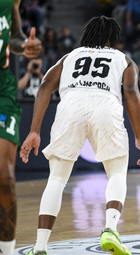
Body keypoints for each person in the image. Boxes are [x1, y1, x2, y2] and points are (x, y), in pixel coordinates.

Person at [19, 16, 140, 255]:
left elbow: (46, 84)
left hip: (71, 106)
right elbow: (131, 92)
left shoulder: (69, 57)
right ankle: (110, 230)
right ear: (113, 39)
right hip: (106, 106)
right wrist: (139, 136)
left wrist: (34, 130)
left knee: (57, 180)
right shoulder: (124, 59)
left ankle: (40, 246)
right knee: (117, 173)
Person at [0, 0, 42, 254]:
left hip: (2, 94)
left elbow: (14, 36)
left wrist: (24, 45)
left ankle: (6, 250)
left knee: (5, 179)